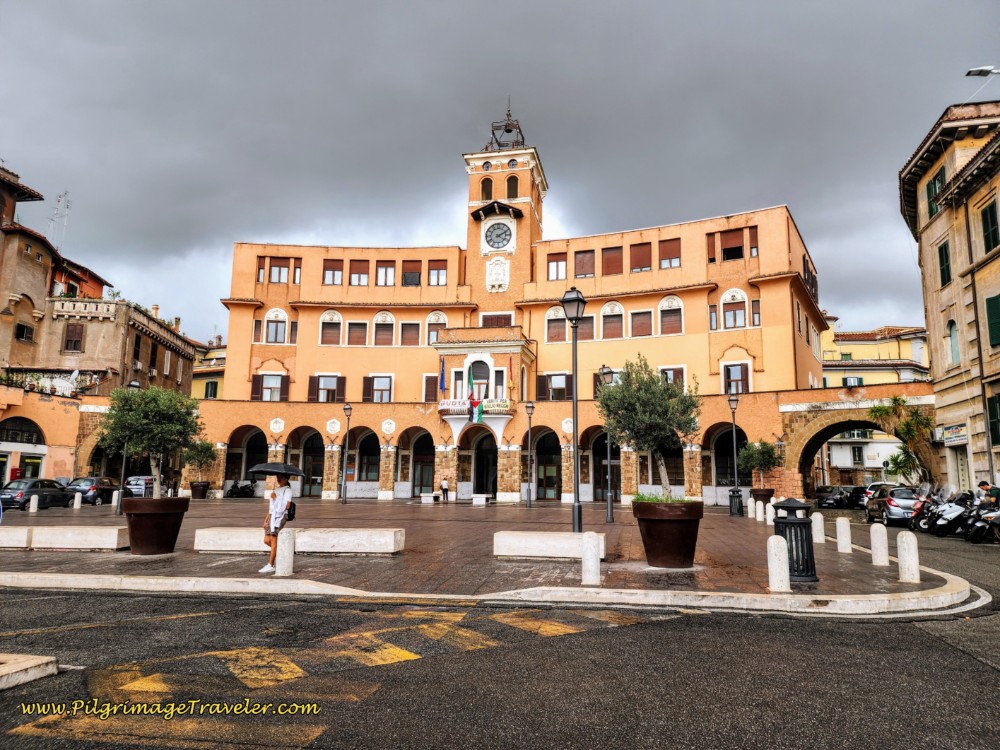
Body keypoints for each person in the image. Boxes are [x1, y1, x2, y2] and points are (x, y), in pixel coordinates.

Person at [260, 474, 292, 574]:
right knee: (266, 540)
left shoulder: (288, 490)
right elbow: (272, 507)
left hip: (280, 517)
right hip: (272, 517)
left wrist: (275, 498)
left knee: (273, 540)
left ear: (286, 479)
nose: (278, 479)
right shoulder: (276, 490)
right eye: (278, 477)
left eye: (281, 477)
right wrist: (266, 519)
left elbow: (286, 506)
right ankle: (283, 552)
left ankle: (270, 565)